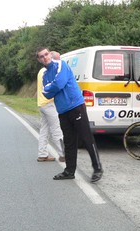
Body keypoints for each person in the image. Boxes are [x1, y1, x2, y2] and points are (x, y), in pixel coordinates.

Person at [40, 48, 103, 183]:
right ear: (39, 60)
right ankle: (69, 171)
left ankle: (97, 168)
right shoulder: (45, 75)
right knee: (69, 142)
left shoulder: (61, 64)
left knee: (86, 138)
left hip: (76, 106)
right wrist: (53, 87)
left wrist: (52, 87)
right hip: (62, 111)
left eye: (46, 54)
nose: (45, 57)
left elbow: (59, 83)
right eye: (41, 56)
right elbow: (46, 93)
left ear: (50, 54)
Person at [36, 49, 65, 162]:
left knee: (44, 130)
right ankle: (63, 154)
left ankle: (42, 154)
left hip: (42, 104)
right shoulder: (47, 71)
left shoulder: (41, 71)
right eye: (57, 59)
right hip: (49, 103)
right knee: (56, 129)